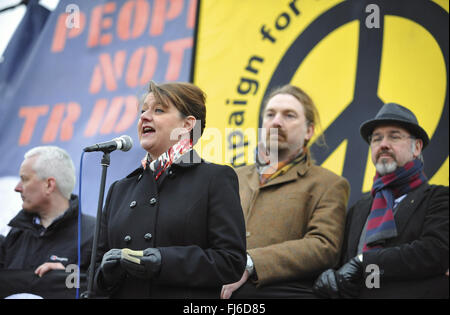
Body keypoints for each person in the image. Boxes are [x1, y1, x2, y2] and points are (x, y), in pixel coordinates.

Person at [93, 81, 247, 298]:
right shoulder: (119, 189)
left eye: (158, 110)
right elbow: (92, 273)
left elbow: (231, 262)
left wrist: (165, 261)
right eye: (143, 110)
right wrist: (104, 274)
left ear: (188, 125)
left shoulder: (215, 178)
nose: (144, 117)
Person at [221, 84, 350, 299]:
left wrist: (251, 263)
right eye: (270, 114)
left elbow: (324, 246)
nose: (276, 122)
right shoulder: (232, 177)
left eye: (289, 115)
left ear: (309, 131)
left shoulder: (329, 184)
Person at [313, 103, 449, 299]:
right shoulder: (359, 209)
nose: (383, 144)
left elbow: (434, 252)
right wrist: (329, 276)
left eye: (394, 136)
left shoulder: (438, 198)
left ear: (417, 147)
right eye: (376, 139)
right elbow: (342, 263)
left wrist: (364, 262)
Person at [0, 146, 95, 296]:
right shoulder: (14, 236)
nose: (17, 188)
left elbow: (105, 287)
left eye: (24, 179)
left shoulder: (95, 234)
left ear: (49, 185)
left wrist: (67, 279)